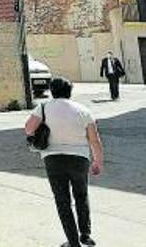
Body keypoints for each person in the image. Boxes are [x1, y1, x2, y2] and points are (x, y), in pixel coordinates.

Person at [25, 77, 104, 247]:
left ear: (52, 91)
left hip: (53, 158)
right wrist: (97, 161)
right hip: (80, 158)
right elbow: (94, 139)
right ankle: (85, 234)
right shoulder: (83, 110)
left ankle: (73, 241)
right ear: (70, 91)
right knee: (81, 196)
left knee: (62, 201)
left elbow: (29, 128)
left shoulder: (43, 108)